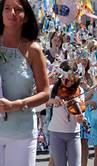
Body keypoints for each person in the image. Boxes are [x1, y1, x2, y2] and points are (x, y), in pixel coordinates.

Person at [0, 0, 50, 166]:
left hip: (22, 133)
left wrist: (17, 104)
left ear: (26, 17)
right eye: (7, 8)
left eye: (17, 9)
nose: (11, 13)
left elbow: (45, 93)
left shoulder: (34, 50)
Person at [47, 60, 86, 166]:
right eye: (66, 80)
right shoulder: (53, 89)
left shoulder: (80, 90)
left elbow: (80, 110)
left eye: (72, 80)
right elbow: (39, 104)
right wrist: (52, 101)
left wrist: (81, 118)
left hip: (74, 134)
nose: (70, 83)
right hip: (56, 133)